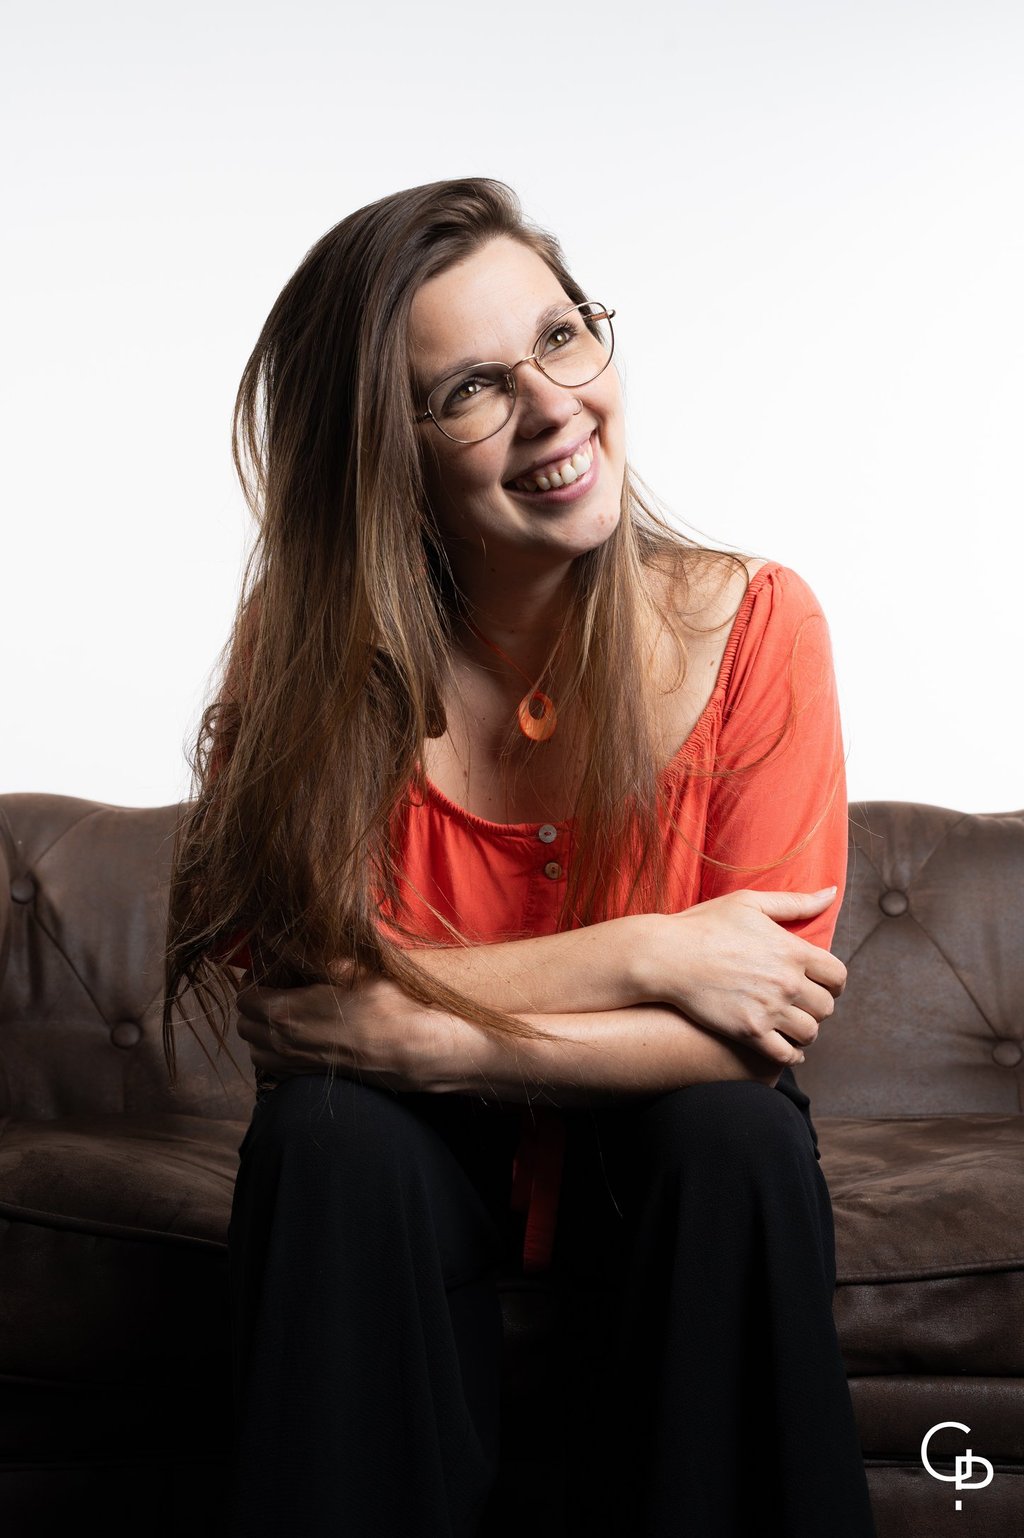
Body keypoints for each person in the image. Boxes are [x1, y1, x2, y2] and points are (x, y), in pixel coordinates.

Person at [163, 177, 878, 1538]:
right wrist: (649, 953)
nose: (554, 404)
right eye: (472, 390)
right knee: (328, 1137)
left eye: (561, 336)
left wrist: (427, 1031)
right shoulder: (304, 654)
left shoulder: (758, 625)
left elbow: (758, 1027)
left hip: (655, 1149)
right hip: (404, 1161)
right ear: (385, 455)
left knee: (735, 1137)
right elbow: (304, 1000)